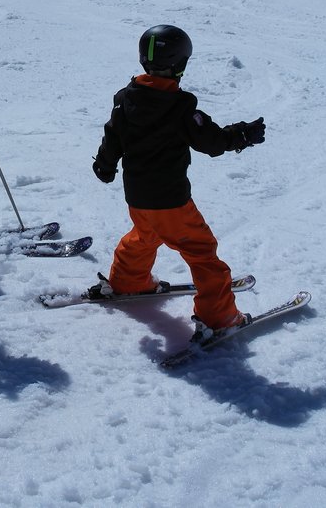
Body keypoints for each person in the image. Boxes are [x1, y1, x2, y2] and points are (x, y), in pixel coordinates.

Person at [91, 24, 266, 345]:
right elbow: (211, 141)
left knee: (145, 236)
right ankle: (220, 317)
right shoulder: (179, 106)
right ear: (181, 64)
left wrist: (105, 164)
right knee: (201, 251)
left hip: (138, 196)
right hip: (171, 200)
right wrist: (242, 134)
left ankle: (128, 281)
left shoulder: (126, 99)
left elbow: (112, 134)